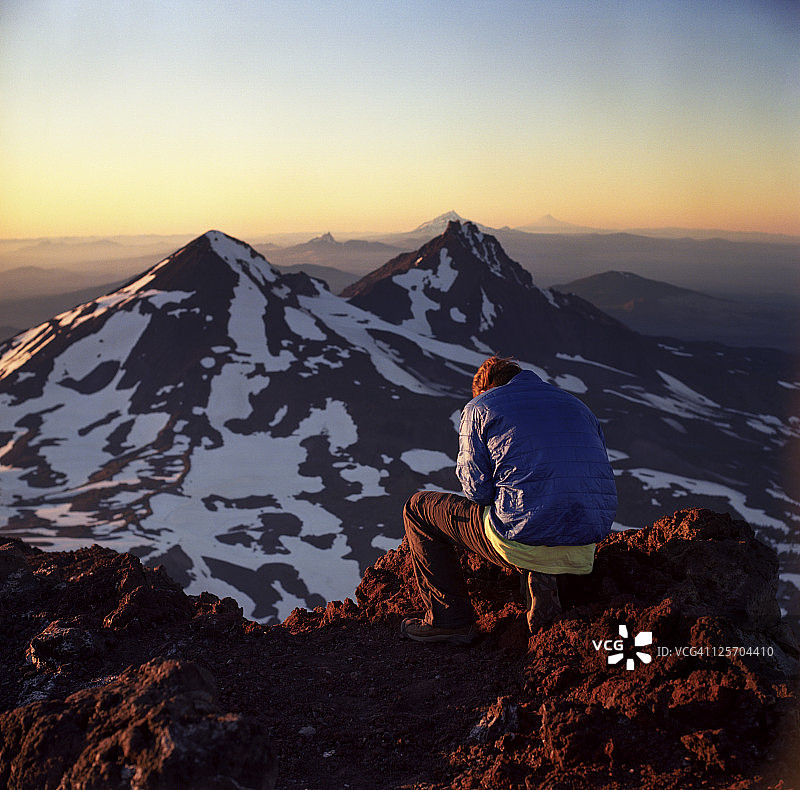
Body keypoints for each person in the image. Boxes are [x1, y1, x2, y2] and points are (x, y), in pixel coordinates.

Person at [400, 356, 617, 644]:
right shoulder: (577, 406)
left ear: (484, 387)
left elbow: (476, 491)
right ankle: (556, 578)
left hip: (522, 535)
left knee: (418, 509)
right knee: (544, 501)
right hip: (585, 541)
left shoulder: (480, 406)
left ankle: (449, 620)